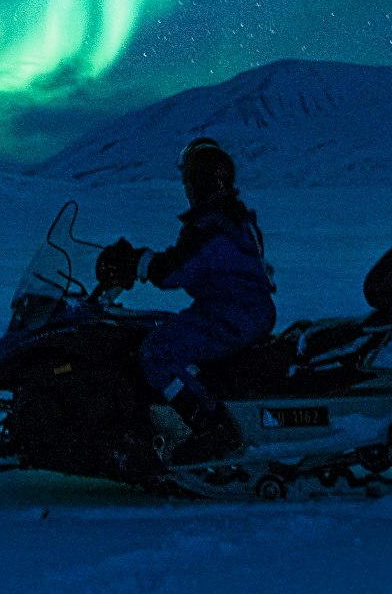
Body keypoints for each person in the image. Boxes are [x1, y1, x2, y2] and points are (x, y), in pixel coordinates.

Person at [101, 136, 276, 465]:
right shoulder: (231, 218)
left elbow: (176, 270)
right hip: (239, 309)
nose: (186, 189)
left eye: (188, 181)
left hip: (234, 313)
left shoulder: (212, 225)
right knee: (163, 329)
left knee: (157, 351)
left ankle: (213, 428)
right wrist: (142, 261)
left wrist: (137, 262)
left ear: (199, 183)